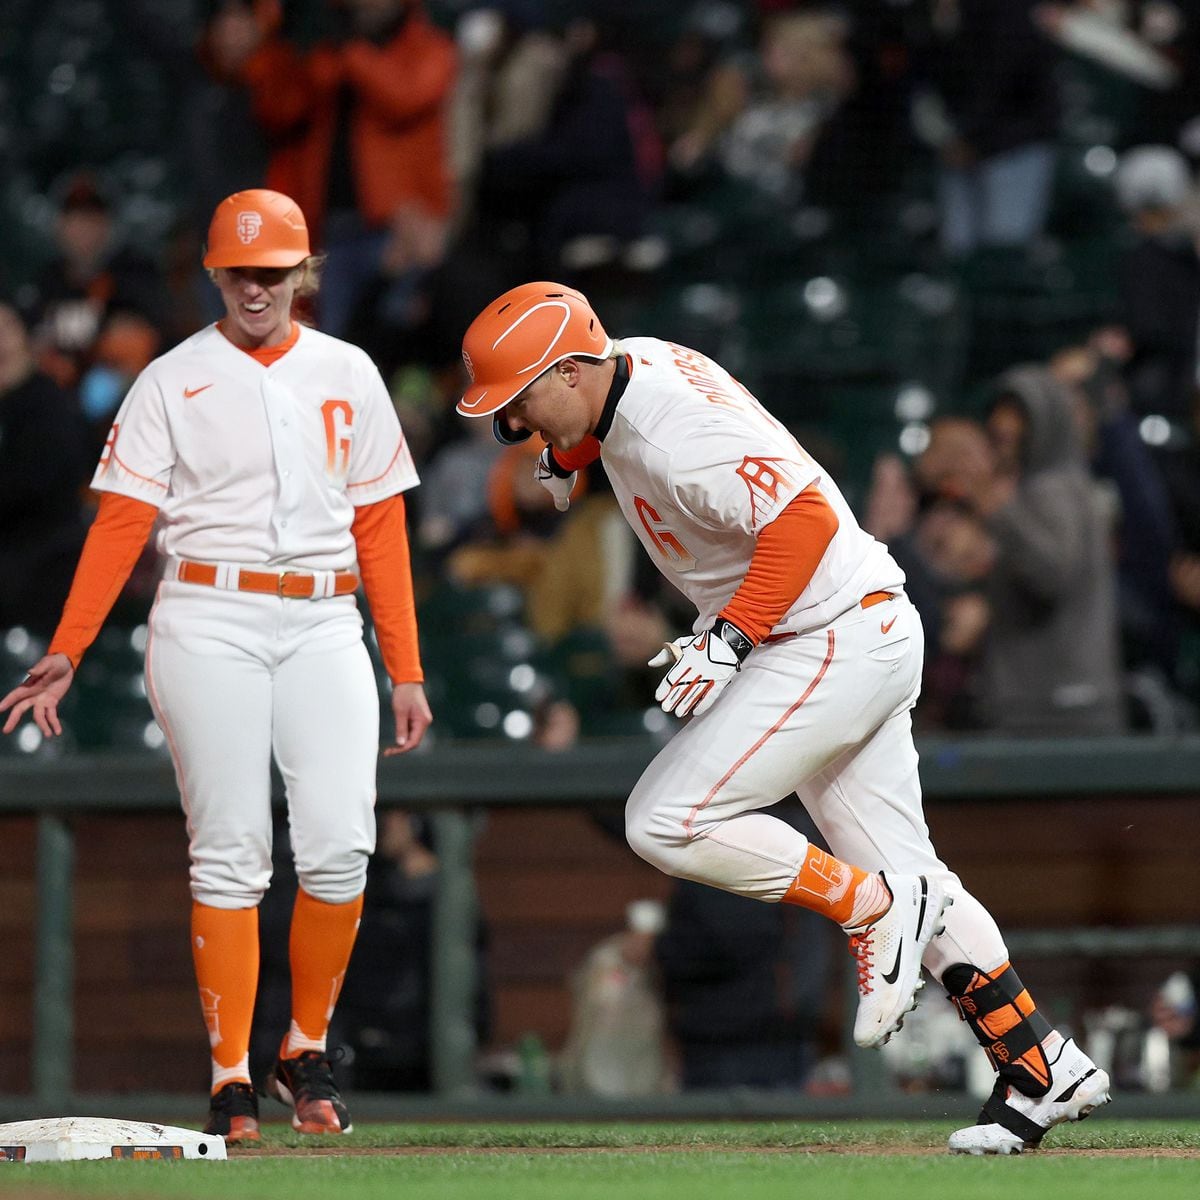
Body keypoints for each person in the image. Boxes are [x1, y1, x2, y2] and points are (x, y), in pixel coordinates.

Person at [455, 282, 1112, 1154]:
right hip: (851, 624)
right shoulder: (624, 367)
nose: (515, 423)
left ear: (570, 370)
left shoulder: (667, 428)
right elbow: (618, 423)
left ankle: (868, 908)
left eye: (521, 402)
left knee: (667, 819)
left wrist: (728, 639)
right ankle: (1041, 1065)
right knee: (917, 875)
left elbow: (798, 520)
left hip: (824, 632)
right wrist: (569, 456)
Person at [0, 189, 432, 1142]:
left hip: (325, 615)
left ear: (302, 272)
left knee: (338, 842)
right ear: (214, 273)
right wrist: (67, 648)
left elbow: (382, 527)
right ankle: (230, 1076)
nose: (255, 286)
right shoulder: (169, 378)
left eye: (273, 270)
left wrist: (404, 664)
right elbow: (121, 525)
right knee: (232, 848)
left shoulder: (348, 371)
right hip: (206, 610)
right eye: (240, 270)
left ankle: (302, 1048)